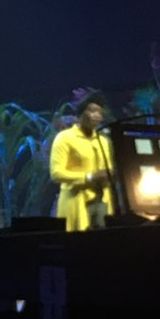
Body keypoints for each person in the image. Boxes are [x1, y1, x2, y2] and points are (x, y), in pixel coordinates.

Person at [49, 89, 115, 231]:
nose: (96, 115)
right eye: (92, 111)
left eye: (100, 112)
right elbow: (56, 173)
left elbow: (107, 169)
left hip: (101, 203)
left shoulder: (103, 140)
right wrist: (89, 177)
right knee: (79, 242)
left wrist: (109, 176)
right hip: (76, 201)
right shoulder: (65, 138)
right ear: (80, 114)